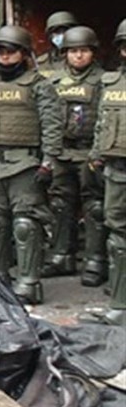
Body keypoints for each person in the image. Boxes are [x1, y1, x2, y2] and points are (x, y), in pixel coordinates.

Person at [0, 25, 63, 305]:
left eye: (11, 51)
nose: (5, 57)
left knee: (26, 224)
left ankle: (29, 282)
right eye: (1, 51)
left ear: (24, 53)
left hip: (25, 164)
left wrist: (48, 163)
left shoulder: (39, 85)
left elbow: (52, 126)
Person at [45, 26, 104, 282]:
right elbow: (46, 117)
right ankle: (61, 255)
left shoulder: (104, 80)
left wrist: (99, 152)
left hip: (89, 151)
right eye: (73, 51)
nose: (78, 56)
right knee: (59, 205)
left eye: (83, 51)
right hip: (61, 151)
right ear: (64, 54)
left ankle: (95, 260)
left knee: (94, 207)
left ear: (93, 52)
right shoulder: (54, 81)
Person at [83, 19, 126, 324]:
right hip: (117, 169)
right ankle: (121, 304)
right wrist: (97, 154)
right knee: (117, 235)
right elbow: (101, 124)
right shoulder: (111, 85)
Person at [37, 11, 78, 80]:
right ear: (50, 35)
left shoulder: (82, 58)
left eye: (65, 31)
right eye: (57, 32)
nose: (62, 35)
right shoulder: (41, 62)